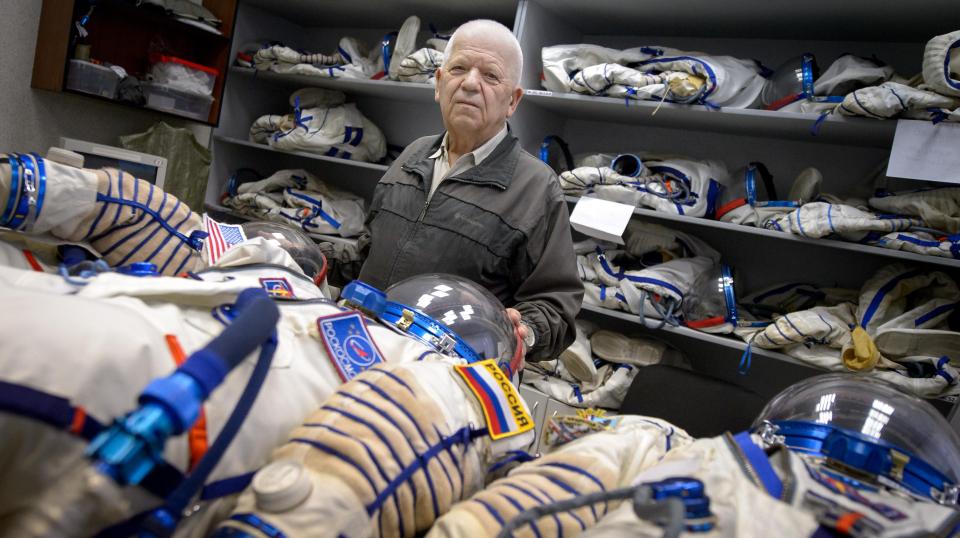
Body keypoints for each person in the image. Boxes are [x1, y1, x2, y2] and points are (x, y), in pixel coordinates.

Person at [358, 19, 583, 363]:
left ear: (513, 101)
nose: (470, 84)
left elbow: (556, 304)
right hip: (362, 347)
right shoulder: (412, 155)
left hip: (449, 380)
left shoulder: (536, 186)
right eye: (458, 69)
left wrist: (527, 332)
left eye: (491, 76)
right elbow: (370, 249)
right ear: (438, 84)